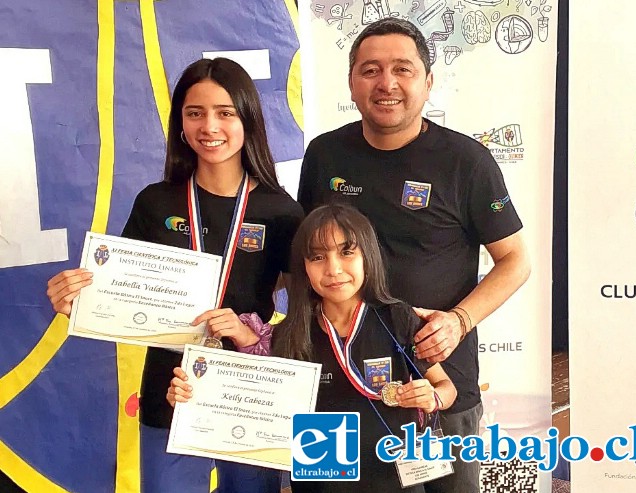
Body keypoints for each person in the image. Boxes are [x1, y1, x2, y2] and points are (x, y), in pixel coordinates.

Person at [46, 57, 304, 493]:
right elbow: (120, 296)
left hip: (250, 394)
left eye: (225, 112)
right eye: (195, 112)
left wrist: (248, 335)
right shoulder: (156, 202)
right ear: (180, 124)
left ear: (248, 120)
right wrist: (76, 300)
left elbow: (310, 316)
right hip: (172, 389)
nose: (210, 126)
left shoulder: (280, 211)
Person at [297, 18, 531, 493]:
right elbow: (302, 255)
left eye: (402, 69)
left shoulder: (467, 162)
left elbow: (515, 261)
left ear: (427, 81)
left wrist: (459, 321)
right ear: (351, 82)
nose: (386, 83)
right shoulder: (325, 155)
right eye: (371, 70)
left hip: (439, 386)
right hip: (341, 389)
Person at [170, 203, 457, 492]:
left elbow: (447, 388)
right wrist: (192, 398)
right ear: (304, 267)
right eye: (318, 257)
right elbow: (245, 402)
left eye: (347, 252)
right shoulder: (289, 335)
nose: (333, 269)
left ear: (367, 255)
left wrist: (432, 397)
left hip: (394, 483)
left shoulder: (397, 318)